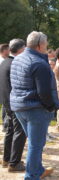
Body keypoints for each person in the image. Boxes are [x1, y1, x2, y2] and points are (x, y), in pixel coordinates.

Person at [10, 31, 59, 179]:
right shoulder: (39, 63)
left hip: (19, 107)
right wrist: (51, 107)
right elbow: (44, 92)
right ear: (39, 45)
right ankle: (31, 176)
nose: (47, 46)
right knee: (36, 145)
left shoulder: (17, 59)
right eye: (45, 44)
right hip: (35, 109)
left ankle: (38, 170)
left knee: (34, 142)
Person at [0, 39, 26, 172]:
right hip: (15, 103)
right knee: (19, 131)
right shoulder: (15, 63)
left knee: (10, 130)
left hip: (6, 102)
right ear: (21, 49)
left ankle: (6, 159)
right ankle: (14, 163)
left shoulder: (5, 62)